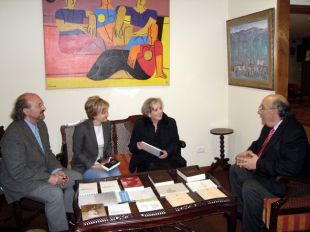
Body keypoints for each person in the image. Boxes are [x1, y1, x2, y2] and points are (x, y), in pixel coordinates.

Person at [0, 93, 82, 232]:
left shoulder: (41, 124)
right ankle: (60, 229)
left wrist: (57, 171)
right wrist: (50, 178)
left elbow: (47, 153)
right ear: (26, 111)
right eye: (39, 105)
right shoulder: (13, 135)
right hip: (19, 179)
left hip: (40, 171)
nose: (44, 107)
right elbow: (17, 171)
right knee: (54, 194)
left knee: (77, 178)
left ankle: (66, 215)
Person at [229, 94, 310, 232]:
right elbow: (259, 144)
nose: (259, 111)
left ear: (274, 111)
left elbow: (291, 168)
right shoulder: (269, 126)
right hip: (269, 174)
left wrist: (257, 164)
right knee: (235, 169)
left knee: (250, 187)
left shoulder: (294, 132)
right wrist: (247, 152)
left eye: (262, 108)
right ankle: (243, 211)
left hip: (289, 184)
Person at [128, 97, 185, 173]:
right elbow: (131, 146)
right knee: (150, 167)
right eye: (156, 110)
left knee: (167, 168)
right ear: (149, 113)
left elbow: (175, 142)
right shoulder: (140, 124)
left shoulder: (170, 122)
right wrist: (137, 146)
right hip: (146, 159)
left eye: (160, 108)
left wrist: (167, 152)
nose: (160, 112)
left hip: (167, 158)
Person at [72, 96, 121, 179]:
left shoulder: (107, 124)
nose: (107, 114)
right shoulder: (81, 128)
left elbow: (108, 144)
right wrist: (93, 165)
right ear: (93, 114)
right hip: (85, 166)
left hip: (102, 162)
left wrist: (110, 159)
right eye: (103, 112)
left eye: (107, 111)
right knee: (104, 177)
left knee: (117, 175)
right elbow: (77, 152)